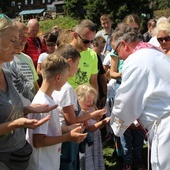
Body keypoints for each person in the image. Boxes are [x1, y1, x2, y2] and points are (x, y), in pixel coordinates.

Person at [0, 13, 58, 170]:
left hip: (18, 155)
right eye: (12, 40)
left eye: (19, 39)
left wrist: (28, 109)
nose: (18, 45)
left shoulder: (6, 73)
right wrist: (16, 124)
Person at [110, 22, 170, 170]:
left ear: (124, 44)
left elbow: (126, 100)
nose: (119, 58)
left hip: (165, 125)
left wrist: (115, 125)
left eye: (116, 52)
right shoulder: (156, 52)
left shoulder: (135, 60)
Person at [26, 53, 87, 170]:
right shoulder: (43, 104)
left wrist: (68, 129)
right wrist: (68, 137)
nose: (66, 81)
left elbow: (49, 129)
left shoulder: (49, 98)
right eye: (66, 77)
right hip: (41, 164)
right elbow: (38, 141)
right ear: (58, 77)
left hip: (49, 161)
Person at [52, 43, 107, 170]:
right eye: (77, 65)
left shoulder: (58, 85)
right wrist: (93, 115)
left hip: (60, 135)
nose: (77, 69)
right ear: (69, 62)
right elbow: (71, 120)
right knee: (69, 163)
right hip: (67, 136)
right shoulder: (66, 89)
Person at [110, 14, 146, 170]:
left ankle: (136, 159)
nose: (119, 57)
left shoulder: (135, 59)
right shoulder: (142, 53)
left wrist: (115, 122)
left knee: (136, 131)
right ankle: (127, 159)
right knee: (126, 131)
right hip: (125, 92)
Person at [3, 21, 39, 107]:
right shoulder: (5, 60)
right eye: (21, 35)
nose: (25, 40)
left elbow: (35, 85)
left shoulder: (27, 58)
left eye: (26, 35)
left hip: (31, 109)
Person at [75, 83, 110, 170]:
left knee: (96, 157)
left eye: (92, 100)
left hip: (96, 138)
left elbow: (96, 125)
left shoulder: (92, 108)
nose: (90, 103)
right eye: (88, 101)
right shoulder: (81, 113)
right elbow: (90, 128)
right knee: (87, 160)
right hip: (87, 141)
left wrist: (98, 118)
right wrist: (103, 122)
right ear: (79, 99)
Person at [68, 19, 98, 91]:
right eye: (85, 41)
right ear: (75, 35)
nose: (89, 45)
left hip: (85, 100)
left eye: (92, 41)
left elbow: (93, 82)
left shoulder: (92, 55)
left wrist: (94, 100)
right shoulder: (64, 53)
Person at [92, 36, 107, 109]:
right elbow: (102, 77)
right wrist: (104, 94)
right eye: (100, 47)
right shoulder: (94, 56)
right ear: (94, 45)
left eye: (103, 47)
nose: (102, 50)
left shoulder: (100, 56)